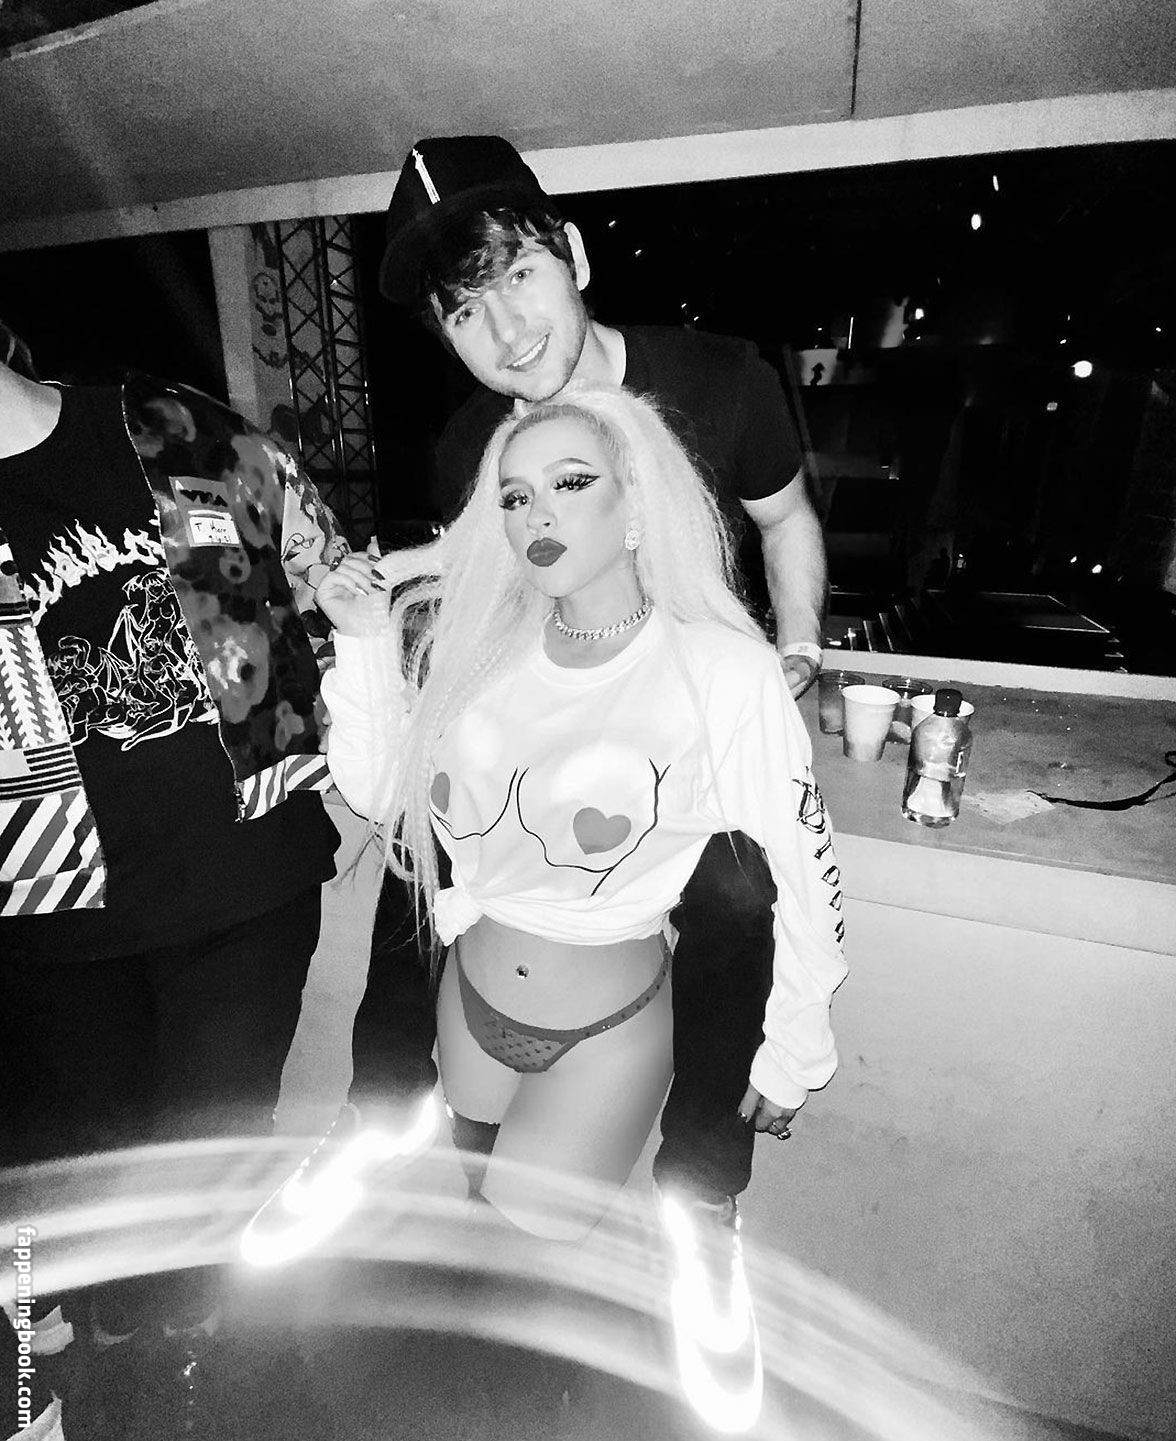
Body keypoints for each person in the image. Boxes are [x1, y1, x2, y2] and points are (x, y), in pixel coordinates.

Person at [330, 134, 830, 1238]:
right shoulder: (472, 443)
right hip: (566, 721)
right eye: (467, 312)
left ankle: (703, 1181)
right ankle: (384, 1098)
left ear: (575, 256)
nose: (508, 331)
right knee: (432, 812)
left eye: (519, 275)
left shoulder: (719, 381)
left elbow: (787, 519)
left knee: (741, 887)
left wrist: (794, 654)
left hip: (690, 730)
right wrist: (379, 602)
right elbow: (482, 574)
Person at [318, 384, 845, 1407]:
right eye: (514, 497)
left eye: (569, 483)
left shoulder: (722, 673)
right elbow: (389, 799)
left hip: (605, 1031)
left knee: (524, 1280)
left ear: (637, 504)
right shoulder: (479, 652)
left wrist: (795, 1043)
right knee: (489, 1241)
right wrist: (365, 641)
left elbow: (800, 874)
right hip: (470, 1012)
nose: (537, 515)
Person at [0, 321, 345, 1439]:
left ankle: (198, 1381)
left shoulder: (167, 424)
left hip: (242, 888)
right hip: (49, 925)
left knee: (209, 1169)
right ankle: (132, 1381)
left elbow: (329, 567)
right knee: (101, 1187)